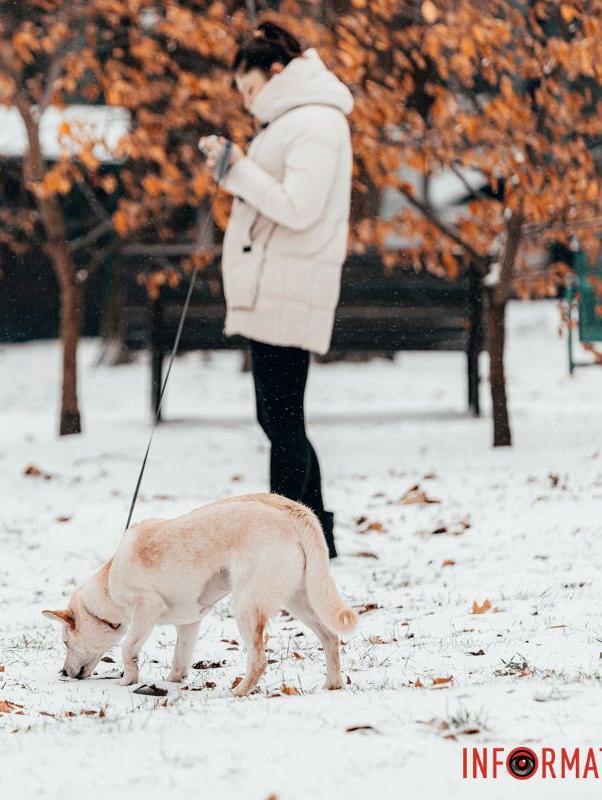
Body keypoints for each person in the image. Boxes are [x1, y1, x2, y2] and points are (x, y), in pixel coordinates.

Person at [199, 22, 354, 558]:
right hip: (277, 283)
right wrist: (234, 166)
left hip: (289, 284)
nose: (246, 103)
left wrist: (238, 169)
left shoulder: (313, 122)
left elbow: (297, 207)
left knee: (282, 418)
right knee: (282, 417)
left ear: (277, 72)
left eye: (248, 89)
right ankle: (312, 539)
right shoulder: (293, 121)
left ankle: (292, 543)